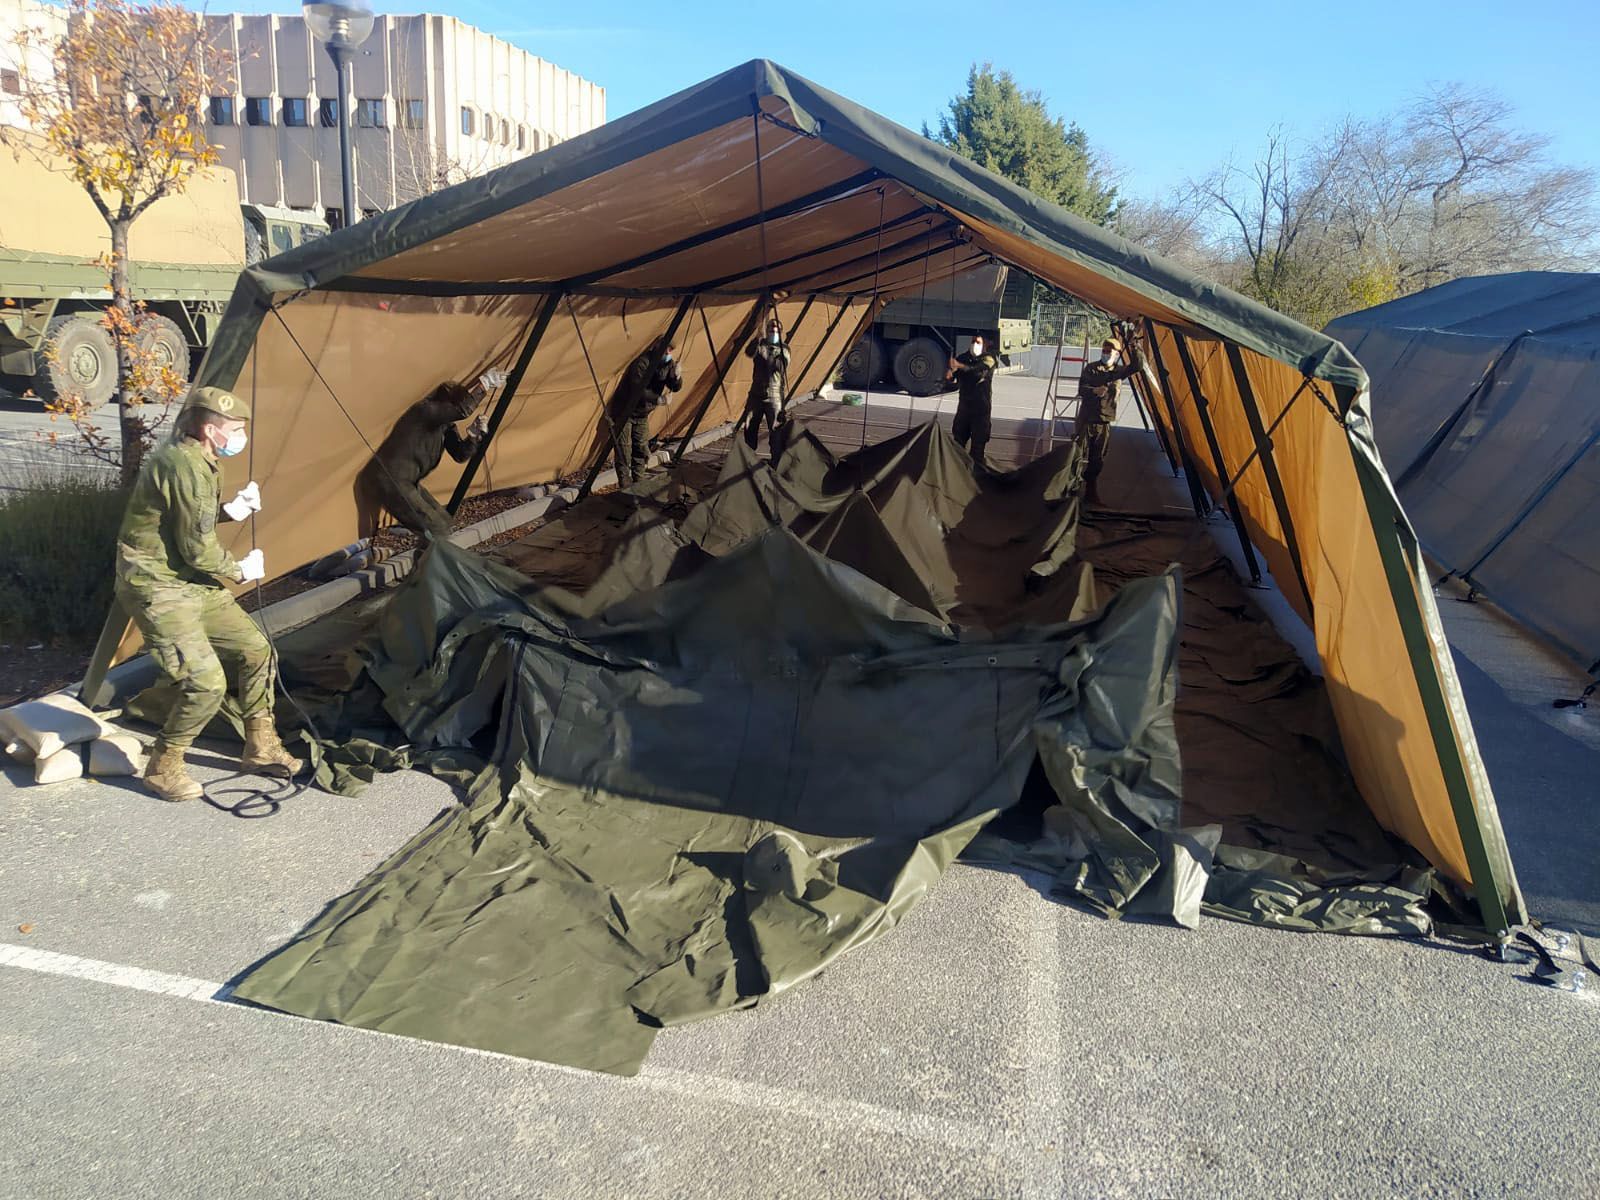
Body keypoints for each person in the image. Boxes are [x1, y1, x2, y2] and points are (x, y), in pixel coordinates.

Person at [113, 386, 302, 803]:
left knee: (257, 650)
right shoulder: (182, 464)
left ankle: (260, 746)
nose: (240, 436)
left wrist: (229, 510)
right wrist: (241, 570)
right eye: (235, 428)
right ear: (210, 429)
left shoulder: (197, 458)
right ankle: (163, 766)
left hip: (188, 579)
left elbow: (186, 517)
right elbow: (198, 549)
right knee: (206, 682)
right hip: (158, 585)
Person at [354, 380, 487, 539]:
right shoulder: (424, 411)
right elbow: (463, 411)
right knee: (436, 529)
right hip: (388, 480)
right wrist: (483, 386)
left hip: (406, 481)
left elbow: (459, 454)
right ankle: (429, 562)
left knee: (444, 523)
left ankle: (426, 561)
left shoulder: (444, 425)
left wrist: (473, 437)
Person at [1075, 336, 1142, 506]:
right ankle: (1070, 491)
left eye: (1109, 351)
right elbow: (1082, 389)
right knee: (1076, 455)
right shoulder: (1091, 369)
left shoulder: (1119, 372)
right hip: (1086, 419)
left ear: (1117, 353)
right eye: (1104, 350)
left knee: (1097, 460)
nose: (1106, 353)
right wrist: (1094, 390)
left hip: (1104, 421)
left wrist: (1135, 346)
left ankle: (1090, 492)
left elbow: (1137, 366)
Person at [608, 337, 681, 485]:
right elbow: (638, 390)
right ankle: (625, 485)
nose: (668, 353)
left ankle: (639, 482)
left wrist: (677, 378)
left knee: (641, 449)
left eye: (670, 350)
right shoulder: (642, 363)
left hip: (642, 414)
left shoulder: (668, 365)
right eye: (666, 349)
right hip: (624, 412)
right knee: (624, 451)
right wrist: (658, 399)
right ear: (656, 347)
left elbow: (674, 386)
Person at [949, 334, 998, 469]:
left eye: (977, 342)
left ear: (985, 345)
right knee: (958, 444)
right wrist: (950, 372)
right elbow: (954, 376)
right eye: (972, 341)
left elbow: (977, 372)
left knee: (978, 448)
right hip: (964, 407)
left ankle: (977, 478)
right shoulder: (963, 358)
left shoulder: (989, 359)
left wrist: (960, 366)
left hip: (981, 409)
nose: (974, 345)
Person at [742, 316, 790, 452]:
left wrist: (766, 355)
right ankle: (748, 458)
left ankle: (776, 462)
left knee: (776, 431)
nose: (773, 333)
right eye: (770, 330)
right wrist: (755, 340)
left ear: (780, 332)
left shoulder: (784, 349)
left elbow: (779, 366)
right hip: (756, 393)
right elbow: (749, 352)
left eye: (776, 331)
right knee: (750, 427)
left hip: (774, 395)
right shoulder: (760, 344)